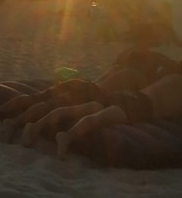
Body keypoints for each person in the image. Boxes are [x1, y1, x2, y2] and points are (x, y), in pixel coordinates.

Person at [0, 36, 178, 136]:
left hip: (84, 83)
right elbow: (142, 93)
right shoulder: (136, 76)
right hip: (90, 92)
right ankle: (16, 124)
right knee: (52, 107)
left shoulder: (117, 68)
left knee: (37, 98)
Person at [17, 66, 182, 158]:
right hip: (141, 106)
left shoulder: (169, 78)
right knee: (99, 119)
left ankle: (34, 126)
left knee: (77, 110)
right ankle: (67, 136)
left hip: (126, 95)